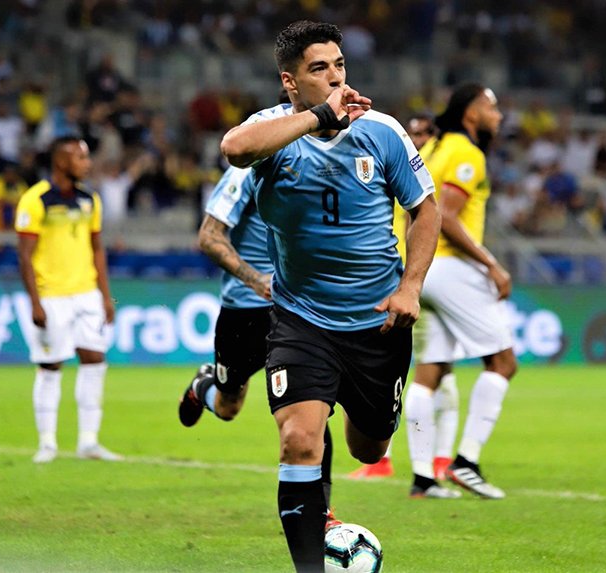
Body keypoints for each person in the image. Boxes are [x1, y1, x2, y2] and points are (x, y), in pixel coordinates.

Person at [220, 21, 440, 572]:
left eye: (339, 65)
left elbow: (425, 210)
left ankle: (353, 417)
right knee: (298, 441)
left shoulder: (383, 131)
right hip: (301, 320)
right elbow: (233, 148)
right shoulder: (272, 130)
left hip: (378, 323)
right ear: (290, 82)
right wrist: (319, 117)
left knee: (370, 449)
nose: (336, 77)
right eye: (320, 68)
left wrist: (411, 285)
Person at [177, 162, 338, 521]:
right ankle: (204, 386)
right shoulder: (245, 171)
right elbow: (209, 236)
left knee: (311, 408)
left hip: (297, 308)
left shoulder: (316, 167)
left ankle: (321, 510)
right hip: (246, 310)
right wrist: (255, 279)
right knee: (228, 406)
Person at [404, 83, 518, 500]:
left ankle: (421, 478)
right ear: (471, 113)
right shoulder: (466, 153)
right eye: (492, 106)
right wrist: (491, 263)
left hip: (417, 269)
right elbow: (447, 217)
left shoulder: (430, 150)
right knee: (503, 362)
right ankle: (466, 461)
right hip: (450, 267)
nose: (499, 115)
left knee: (429, 373)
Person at [348, 111, 457, 484]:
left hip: (423, 275)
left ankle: (439, 460)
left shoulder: (424, 168)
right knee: (431, 373)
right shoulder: (399, 166)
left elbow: (434, 216)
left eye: (425, 132)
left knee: (441, 373)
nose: (420, 137)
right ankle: (425, 466)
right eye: (415, 133)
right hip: (407, 280)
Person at [14, 136, 122, 464]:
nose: (87, 164)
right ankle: (47, 443)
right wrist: (35, 302)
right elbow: (24, 256)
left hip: (86, 294)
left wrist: (105, 296)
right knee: (50, 367)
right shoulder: (36, 201)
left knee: (94, 360)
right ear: (61, 162)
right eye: (80, 157)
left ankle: (88, 441)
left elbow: (97, 248)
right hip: (52, 297)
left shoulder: (89, 199)